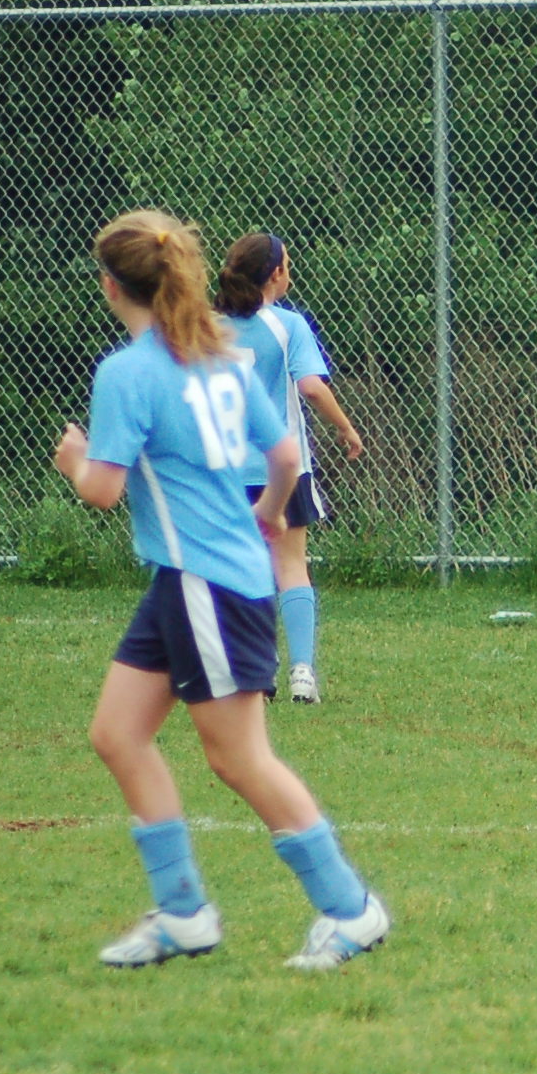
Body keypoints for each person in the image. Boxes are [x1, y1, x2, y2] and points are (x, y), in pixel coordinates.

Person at [55, 210, 388, 970]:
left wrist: (74, 457)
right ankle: (183, 914)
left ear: (111, 285)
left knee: (239, 759)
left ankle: (350, 909)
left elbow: (102, 490)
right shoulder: (223, 359)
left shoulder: (128, 372)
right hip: (190, 579)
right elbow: (285, 458)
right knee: (117, 734)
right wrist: (266, 518)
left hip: (206, 584)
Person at [214, 234, 365, 706]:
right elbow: (312, 387)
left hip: (223, 469)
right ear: (276, 274)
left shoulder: (208, 327)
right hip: (282, 467)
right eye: (288, 265)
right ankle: (302, 672)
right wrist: (346, 428)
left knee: (240, 569)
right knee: (291, 564)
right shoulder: (288, 325)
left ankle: (255, 671)